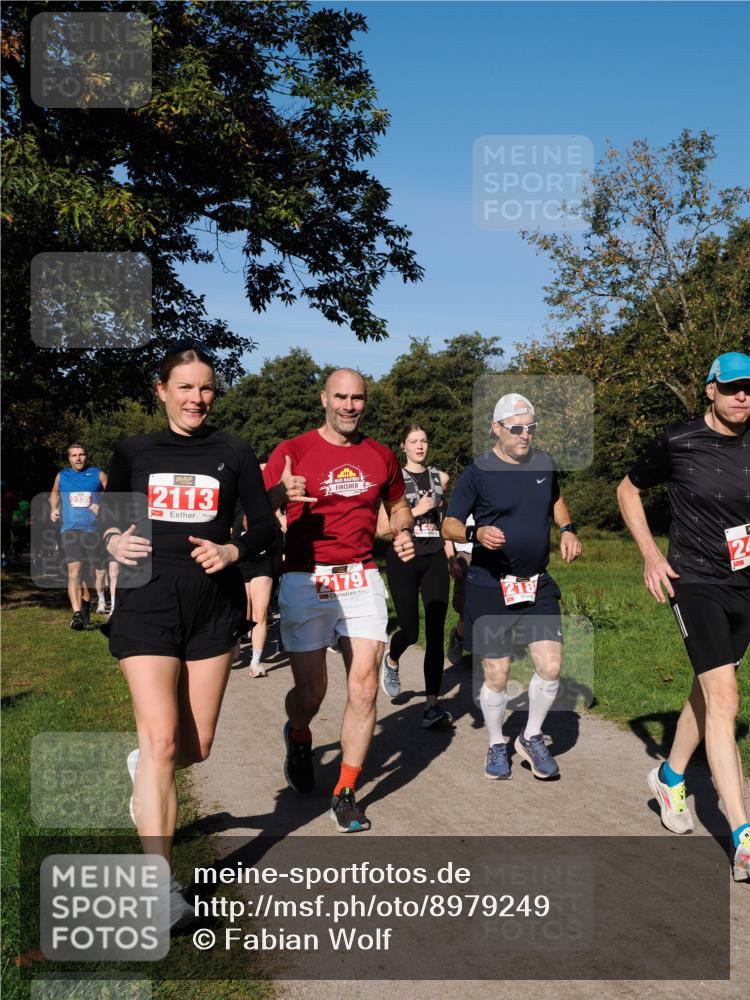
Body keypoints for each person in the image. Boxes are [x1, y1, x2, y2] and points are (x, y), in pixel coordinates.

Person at [102, 341, 276, 926]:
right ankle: (158, 886)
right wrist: (110, 541)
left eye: (205, 387)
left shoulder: (234, 450)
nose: (196, 398)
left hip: (212, 608)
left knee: (194, 748)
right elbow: (101, 518)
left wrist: (232, 548)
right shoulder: (134, 450)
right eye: (184, 387)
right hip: (147, 600)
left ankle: (145, 765)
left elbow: (267, 530)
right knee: (163, 740)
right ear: (162, 391)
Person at [262, 368, 415, 832]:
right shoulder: (292, 451)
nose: (350, 406)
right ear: (324, 398)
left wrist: (403, 530)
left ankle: (345, 791)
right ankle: (300, 733)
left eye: (358, 398)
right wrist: (278, 494)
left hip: (362, 576)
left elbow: (399, 505)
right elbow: (257, 509)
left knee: (365, 686)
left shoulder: (381, 454)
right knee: (312, 693)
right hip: (305, 579)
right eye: (341, 397)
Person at [617, 351, 750, 882]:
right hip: (693, 580)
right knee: (726, 696)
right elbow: (627, 488)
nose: (744, 396)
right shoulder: (678, 440)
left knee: (711, 682)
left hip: (745, 581)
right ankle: (743, 835)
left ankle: (670, 775)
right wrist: (652, 555)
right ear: (711, 390)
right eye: (734, 387)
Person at [443, 393, 581, 781]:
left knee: (551, 667)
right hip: (489, 584)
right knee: (498, 675)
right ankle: (496, 741)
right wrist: (475, 531)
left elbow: (556, 499)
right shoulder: (478, 472)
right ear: (497, 428)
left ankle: (531, 735)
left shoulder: (542, 463)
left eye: (531, 428)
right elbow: (449, 524)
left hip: (536, 583)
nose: (526, 435)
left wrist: (567, 529)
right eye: (517, 428)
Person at [377, 423, 458, 728]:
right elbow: (382, 529)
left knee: (435, 632)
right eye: (414, 441)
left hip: (435, 557)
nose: (420, 446)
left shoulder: (441, 479)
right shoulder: (392, 479)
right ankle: (392, 659)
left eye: (424, 440)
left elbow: (443, 522)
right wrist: (415, 510)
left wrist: (451, 559)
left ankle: (432, 707)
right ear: (403, 445)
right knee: (410, 631)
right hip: (404, 558)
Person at [50, 444, 107, 629]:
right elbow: (54, 494)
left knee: (88, 574)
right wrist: (53, 509)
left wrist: (103, 508)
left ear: (86, 455)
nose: (78, 458)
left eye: (81, 454)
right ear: (69, 458)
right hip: (70, 530)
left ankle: (86, 602)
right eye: (74, 455)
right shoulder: (62, 476)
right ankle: (77, 615)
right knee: (74, 571)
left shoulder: (98, 474)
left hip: (93, 530)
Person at [232, 494, 284, 677]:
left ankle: (256, 661)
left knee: (259, 615)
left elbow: (279, 537)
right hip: (240, 565)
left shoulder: (267, 509)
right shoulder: (235, 506)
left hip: (262, 566)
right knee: (242, 613)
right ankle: (236, 644)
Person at [447, 513, 474, 665]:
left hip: (491, 553)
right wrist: (452, 560)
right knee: (465, 607)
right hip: (466, 554)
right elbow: (449, 527)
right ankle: (458, 637)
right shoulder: (466, 493)